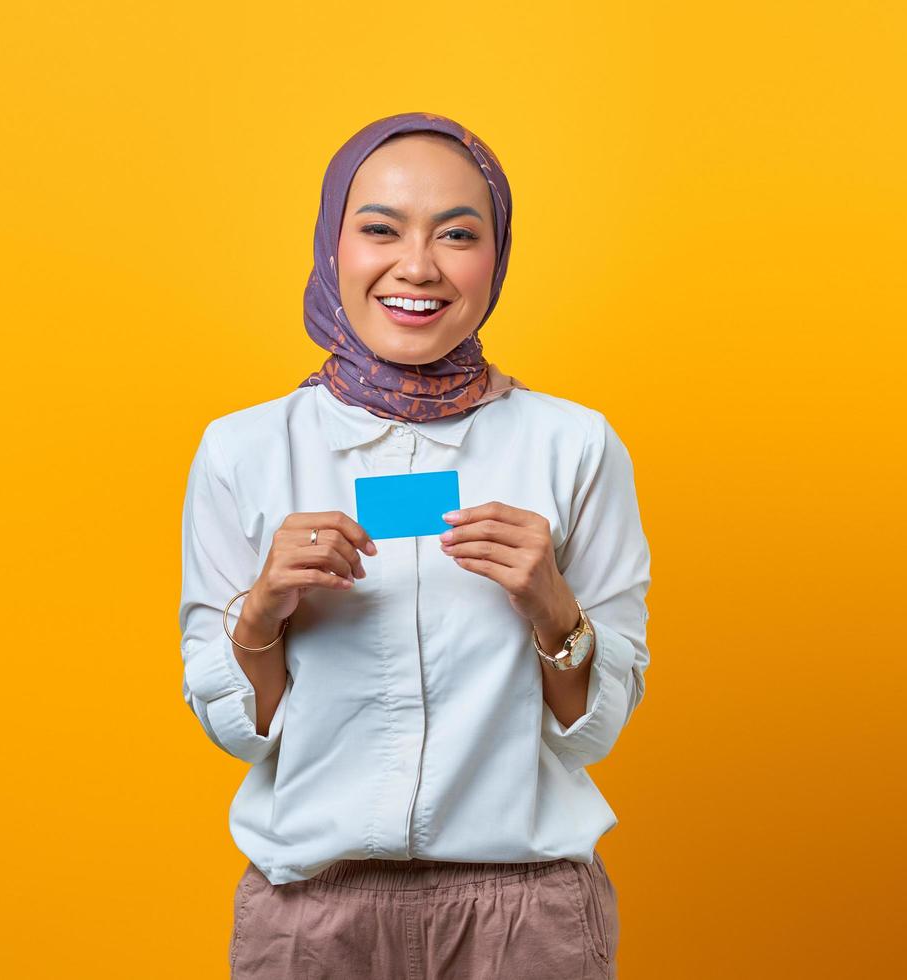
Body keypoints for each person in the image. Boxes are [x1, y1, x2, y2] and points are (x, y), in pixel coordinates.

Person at [179, 111, 652, 979]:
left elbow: (596, 732)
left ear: (495, 257)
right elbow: (239, 733)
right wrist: (261, 614)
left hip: (526, 916)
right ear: (333, 245)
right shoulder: (242, 450)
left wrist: (551, 604)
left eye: (458, 234)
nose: (418, 267)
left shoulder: (573, 445)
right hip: (311, 919)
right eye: (380, 229)